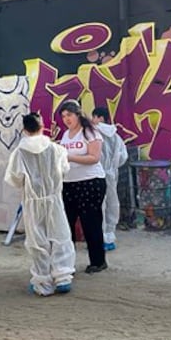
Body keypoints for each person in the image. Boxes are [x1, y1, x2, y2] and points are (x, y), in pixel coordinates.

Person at [5, 112, 75, 296]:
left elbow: (15, 178)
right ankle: (63, 277)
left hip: (32, 201)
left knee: (37, 240)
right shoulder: (56, 149)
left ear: (24, 129)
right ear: (41, 125)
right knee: (60, 235)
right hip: (53, 198)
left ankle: (43, 281)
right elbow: (64, 171)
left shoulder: (19, 153)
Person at [59, 100, 108, 274]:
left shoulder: (90, 132)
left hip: (90, 182)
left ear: (78, 115)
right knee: (67, 223)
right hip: (69, 183)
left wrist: (69, 157)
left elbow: (94, 157)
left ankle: (98, 260)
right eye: (63, 116)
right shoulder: (66, 135)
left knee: (91, 222)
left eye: (69, 115)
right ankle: (66, 262)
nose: (66, 119)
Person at [91, 106, 128, 251]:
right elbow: (123, 157)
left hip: (95, 173)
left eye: (94, 117)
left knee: (99, 206)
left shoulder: (93, 133)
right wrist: (113, 167)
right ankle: (109, 237)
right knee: (112, 204)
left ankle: (99, 238)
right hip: (111, 174)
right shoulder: (116, 136)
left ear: (99, 117)